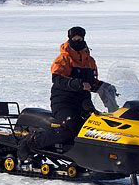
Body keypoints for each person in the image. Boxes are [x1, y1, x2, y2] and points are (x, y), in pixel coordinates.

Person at [23, 26, 102, 154]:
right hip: (63, 101)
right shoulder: (63, 59)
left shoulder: (90, 60)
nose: (77, 40)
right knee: (71, 127)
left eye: (80, 38)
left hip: (83, 102)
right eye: (74, 38)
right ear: (69, 38)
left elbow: (93, 82)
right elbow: (58, 80)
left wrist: (106, 88)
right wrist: (78, 84)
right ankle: (33, 141)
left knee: (95, 127)